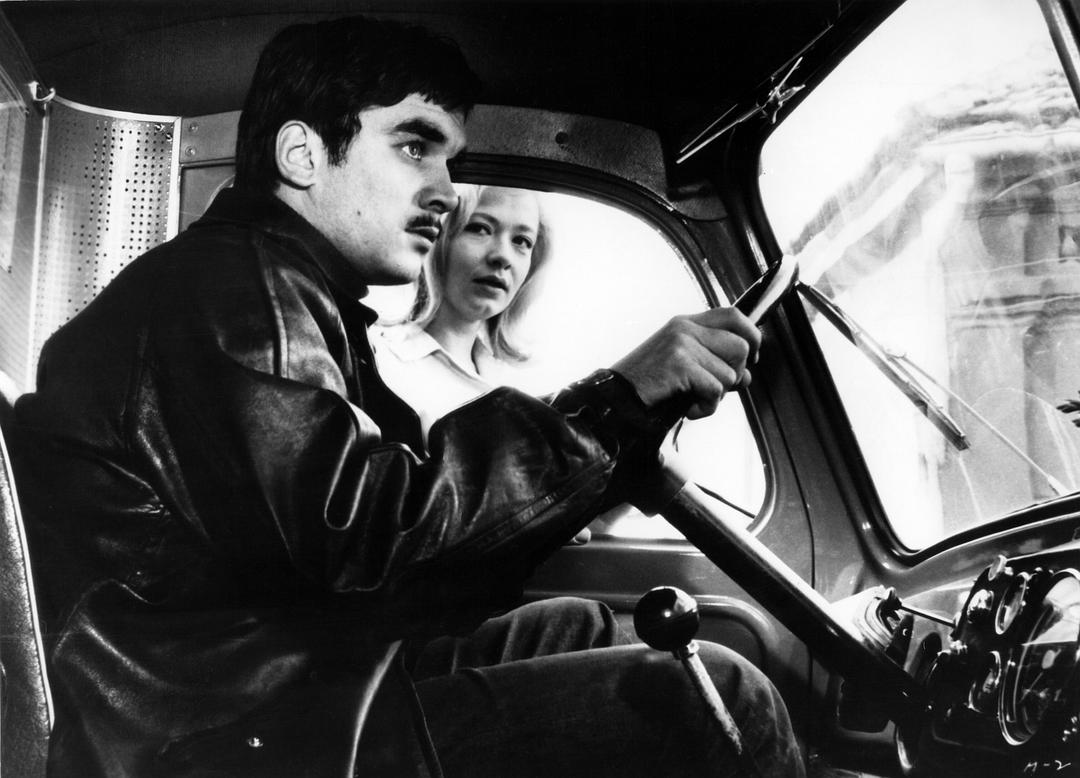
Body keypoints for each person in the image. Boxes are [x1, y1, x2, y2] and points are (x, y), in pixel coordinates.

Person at [9, 15, 803, 778]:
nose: (447, 192)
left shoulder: (284, 288)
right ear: (303, 155)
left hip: (259, 687)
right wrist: (613, 407)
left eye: (447, 160)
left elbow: (395, 532)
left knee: (575, 624)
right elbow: (369, 540)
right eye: (415, 146)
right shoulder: (237, 288)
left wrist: (608, 427)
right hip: (212, 741)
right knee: (721, 698)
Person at [374, 184, 552, 442]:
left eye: (521, 241)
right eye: (480, 228)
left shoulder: (519, 386)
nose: (503, 256)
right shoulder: (378, 356)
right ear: (437, 238)